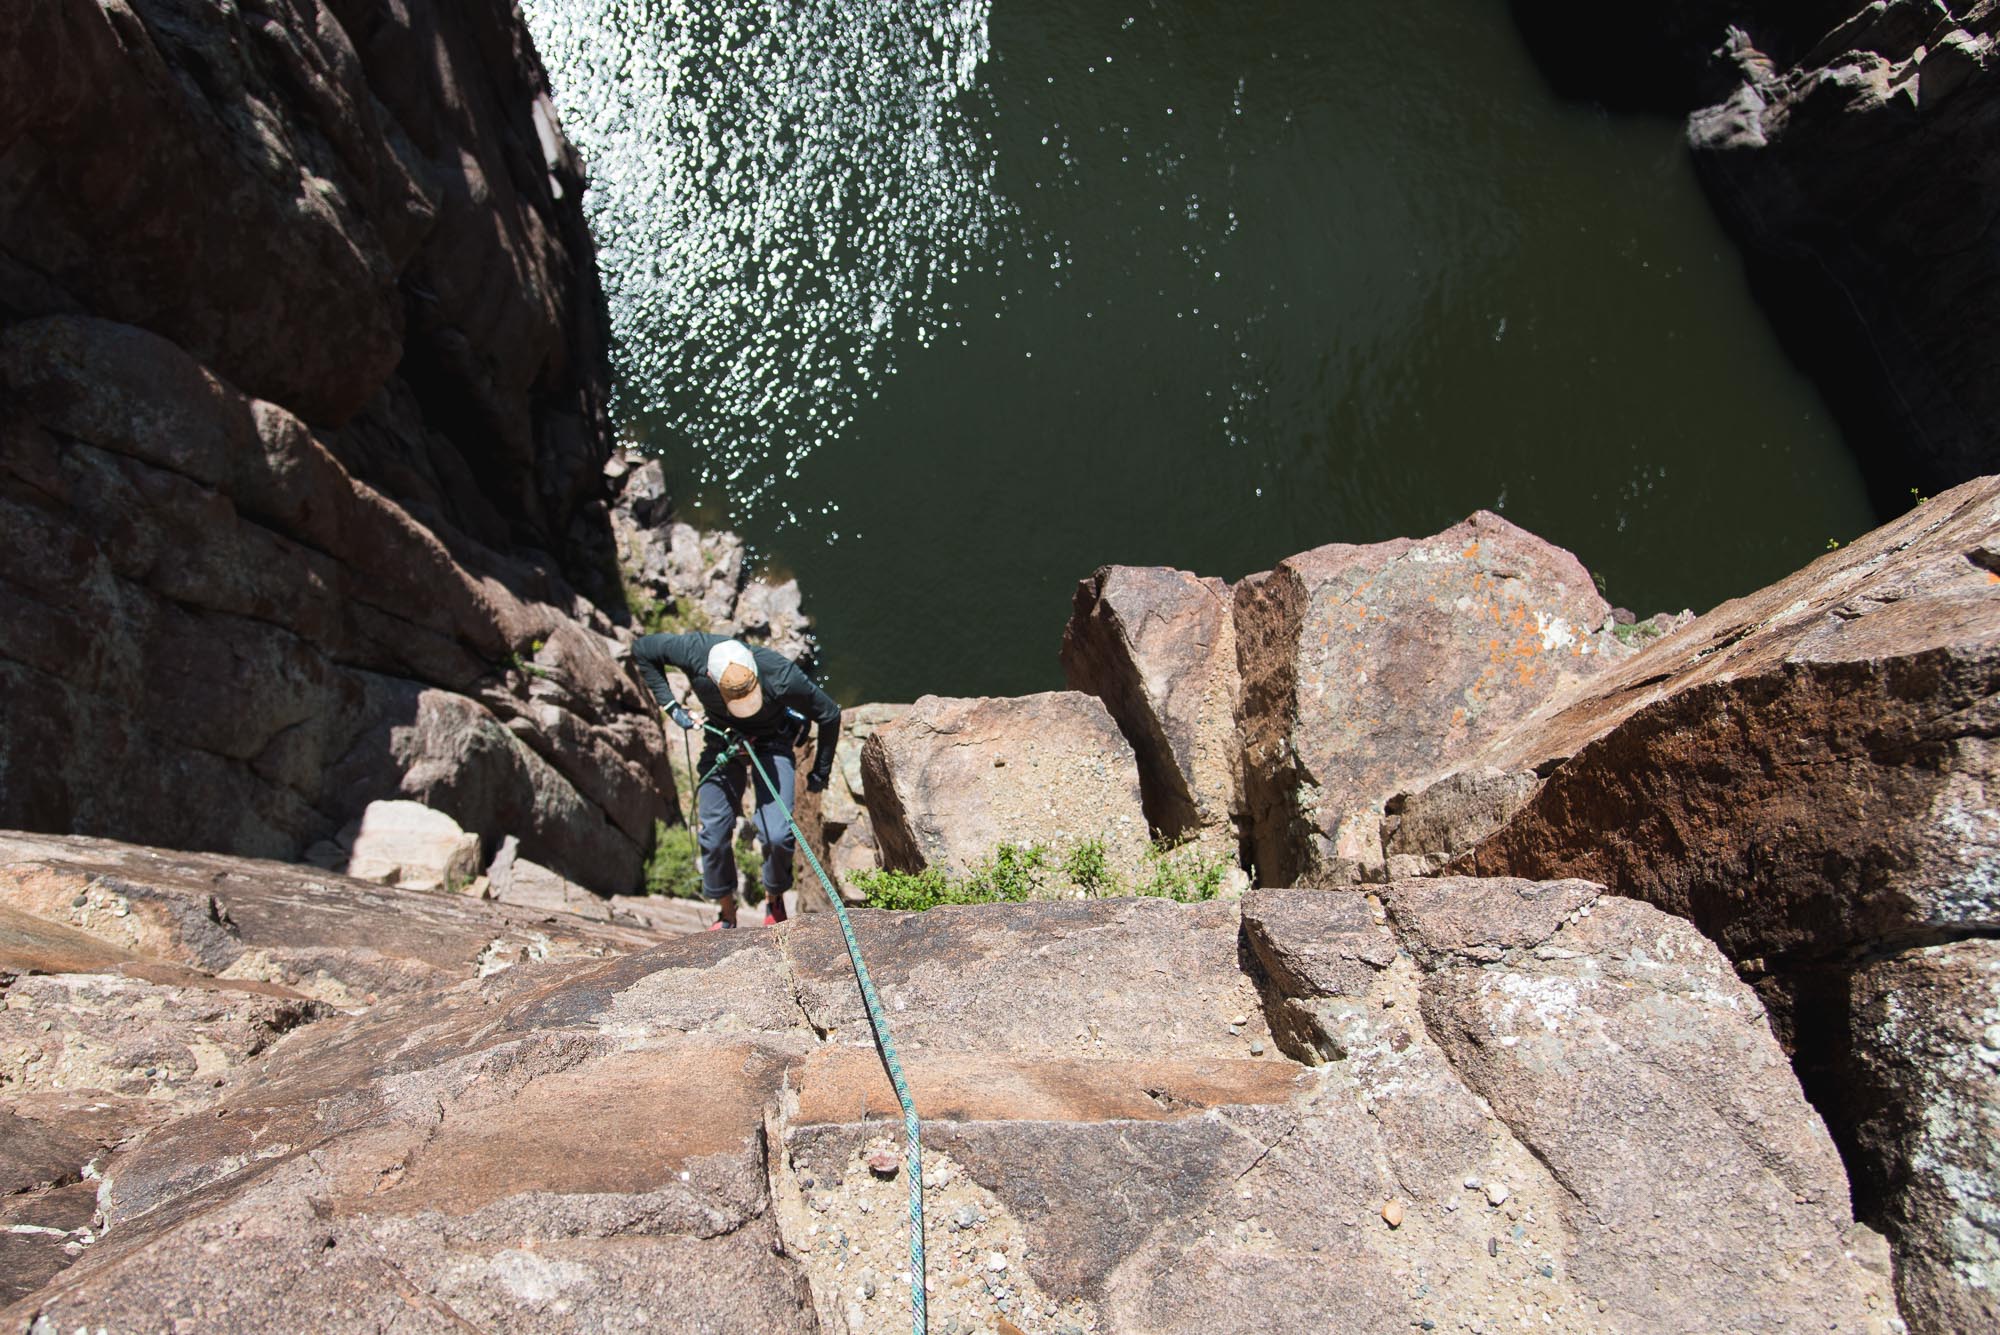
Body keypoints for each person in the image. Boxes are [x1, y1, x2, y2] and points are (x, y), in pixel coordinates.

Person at [633, 633, 840, 928]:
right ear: (708, 676)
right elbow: (642, 650)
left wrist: (820, 772)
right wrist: (671, 707)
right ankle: (727, 912)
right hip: (723, 740)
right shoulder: (693, 652)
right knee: (713, 834)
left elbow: (829, 714)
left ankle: (775, 897)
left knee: (778, 835)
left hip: (772, 740)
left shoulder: (780, 674)